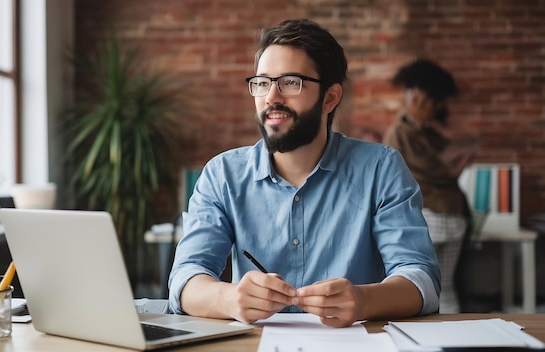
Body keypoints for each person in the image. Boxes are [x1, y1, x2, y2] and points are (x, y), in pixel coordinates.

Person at [168, 18, 440, 328]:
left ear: (330, 97)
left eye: (290, 82)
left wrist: (364, 300)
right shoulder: (222, 175)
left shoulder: (382, 168)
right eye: (262, 82)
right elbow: (185, 279)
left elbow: (422, 281)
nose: (271, 97)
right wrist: (229, 299)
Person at [382, 58, 479, 313]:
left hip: (429, 219)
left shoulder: (400, 133)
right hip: (455, 218)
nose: (430, 108)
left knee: (424, 289)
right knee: (446, 287)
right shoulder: (424, 135)